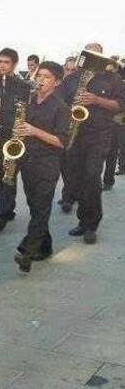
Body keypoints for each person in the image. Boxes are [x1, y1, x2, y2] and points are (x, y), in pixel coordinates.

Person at [60, 43, 125, 244]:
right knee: (77, 179)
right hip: (75, 136)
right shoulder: (71, 79)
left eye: (94, 54)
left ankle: (91, 225)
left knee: (92, 178)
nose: (90, 58)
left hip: (99, 136)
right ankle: (83, 220)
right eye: (87, 54)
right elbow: (61, 105)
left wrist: (96, 100)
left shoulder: (113, 79)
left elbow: (119, 105)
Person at [13, 62, 70, 273]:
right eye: (40, 76)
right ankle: (45, 247)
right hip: (28, 161)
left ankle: (27, 252)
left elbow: (62, 141)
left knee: (41, 207)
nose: (41, 80)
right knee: (36, 205)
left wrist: (34, 131)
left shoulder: (61, 108)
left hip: (47, 163)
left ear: (56, 81)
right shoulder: (30, 103)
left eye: (46, 77)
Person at [0, 47, 31, 231]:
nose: (2, 65)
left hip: (12, 136)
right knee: (0, 173)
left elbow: (25, 111)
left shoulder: (22, 86)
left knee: (10, 173)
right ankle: (9, 207)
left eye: (6, 62)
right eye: (0, 62)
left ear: (14, 65)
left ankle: (1, 213)